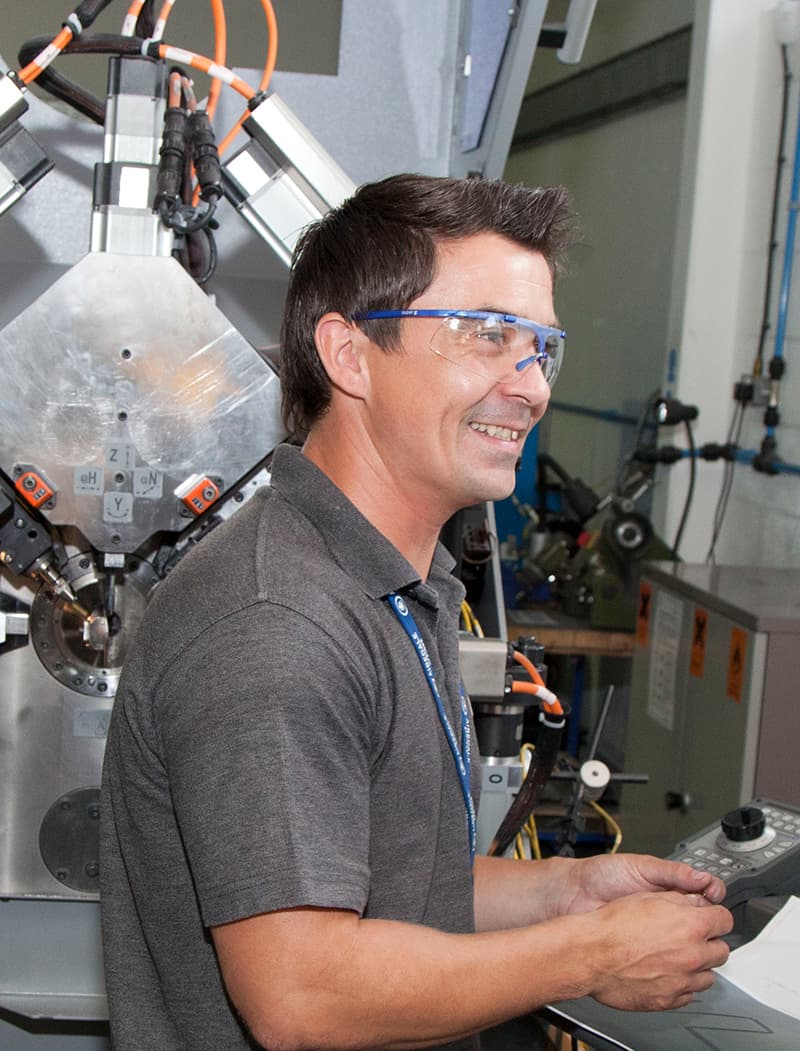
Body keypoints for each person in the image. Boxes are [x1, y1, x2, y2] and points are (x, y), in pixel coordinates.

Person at [100, 173, 732, 1051]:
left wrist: (565, 896)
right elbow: (302, 992)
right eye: (486, 335)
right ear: (350, 354)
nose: (532, 386)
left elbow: (394, 882)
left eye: (540, 345)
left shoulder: (400, 585)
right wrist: (585, 953)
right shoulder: (277, 624)